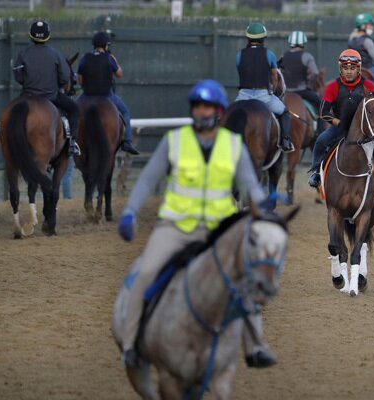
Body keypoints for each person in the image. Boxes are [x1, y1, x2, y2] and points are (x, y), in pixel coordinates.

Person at [117, 80, 277, 368]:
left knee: (245, 277)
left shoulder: (233, 145)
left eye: (208, 107)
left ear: (219, 112)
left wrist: (261, 206)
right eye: (198, 106)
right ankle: (130, 345)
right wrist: (130, 211)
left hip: (219, 230)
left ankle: (255, 346)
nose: (202, 112)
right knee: (147, 273)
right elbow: (147, 180)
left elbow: (251, 186)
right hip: (175, 227)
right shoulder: (174, 141)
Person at [307, 49, 374, 196]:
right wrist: (338, 122)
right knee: (321, 140)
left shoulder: (370, 87)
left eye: (352, 68)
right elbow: (323, 112)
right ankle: (315, 172)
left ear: (358, 69)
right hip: (340, 128)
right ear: (341, 69)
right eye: (345, 68)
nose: (348, 71)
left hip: (364, 131)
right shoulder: (332, 87)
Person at [13, 20, 80, 156]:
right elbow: (64, 77)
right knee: (74, 109)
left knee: (11, 114)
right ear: (47, 36)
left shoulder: (23, 54)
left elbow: (19, 78)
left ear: (31, 36)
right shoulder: (56, 55)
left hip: (27, 96)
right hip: (51, 96)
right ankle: (72, 143)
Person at [77, 31, 140, 155]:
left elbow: (80, 81)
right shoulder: (109, 58)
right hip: (106, 95)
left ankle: (71, 140)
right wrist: (114, 61)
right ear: (106, 45)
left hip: (87, 95)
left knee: (72, 112)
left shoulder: (84, 58)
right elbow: (120, 74)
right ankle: (127, 141)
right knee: (125, 112)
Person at [236, 22, 294, 153]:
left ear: (248, 38)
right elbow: (274, 77)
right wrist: (271, 92)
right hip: (263, 96)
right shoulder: (269, 54)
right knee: (285, 112)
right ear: (263, 38)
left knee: (228, 115)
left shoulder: (239, 55)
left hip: (243, 96)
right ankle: (285, 141)